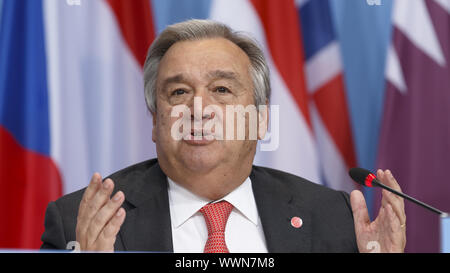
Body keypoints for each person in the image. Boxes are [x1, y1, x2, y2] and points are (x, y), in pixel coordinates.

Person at [40, 19, 406, 253]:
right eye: (179, 92)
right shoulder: (78, 224)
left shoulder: (331, 218)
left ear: (261, 120)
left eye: (222, 90)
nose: (200, 108)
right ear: (155, 122)